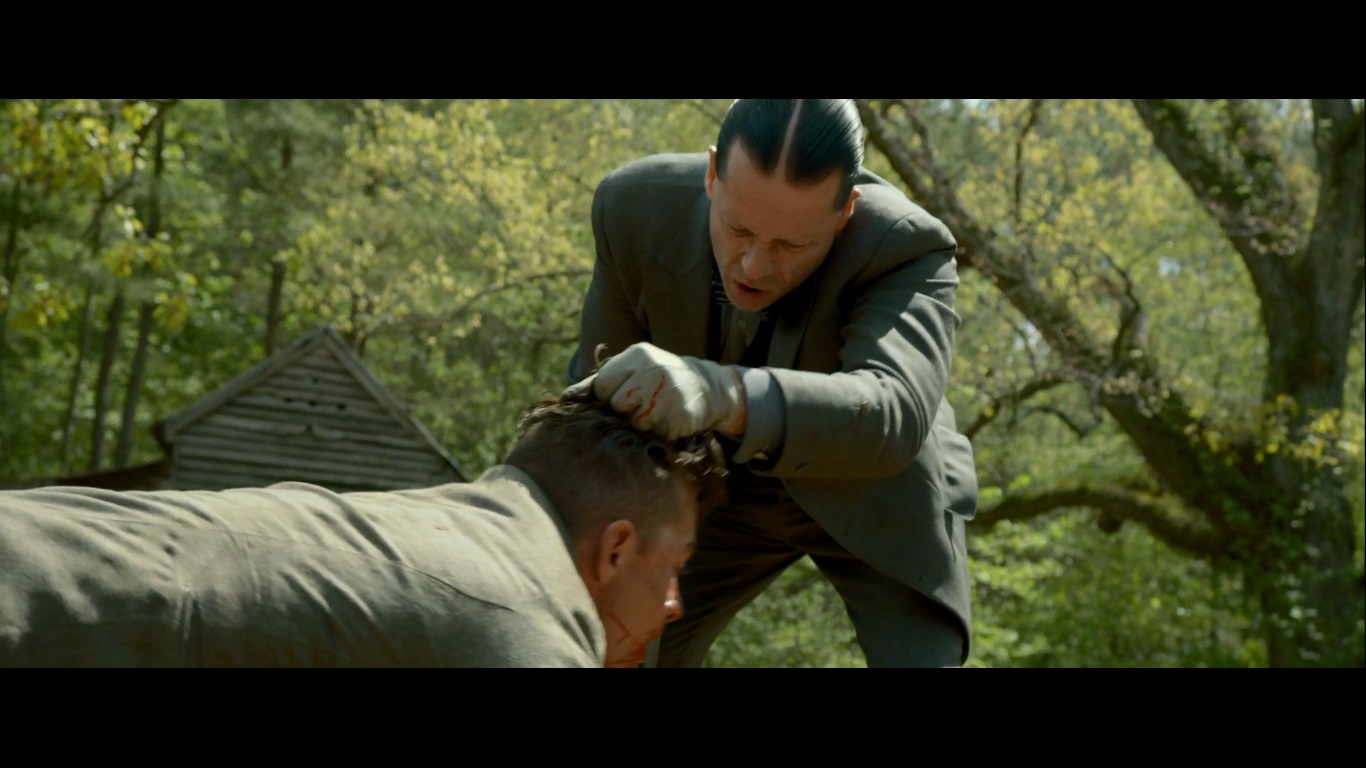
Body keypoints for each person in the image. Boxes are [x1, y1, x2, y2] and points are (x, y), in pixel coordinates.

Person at [568, 99, 978, 667]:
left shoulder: (906, 245)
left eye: (791, 245)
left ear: (846, 211)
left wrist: (722, 393)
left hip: (875, 497)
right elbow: (597, 404)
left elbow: (892, 412)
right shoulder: (633, 207)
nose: (754, 266)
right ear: (712, 174)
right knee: (605, 645)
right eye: (738, 229)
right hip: (705, 486)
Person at [0, 390, 726, 668]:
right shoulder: (527, 621)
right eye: (674, 566)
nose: (675, 605)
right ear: (617, 548)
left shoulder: (465, 529)